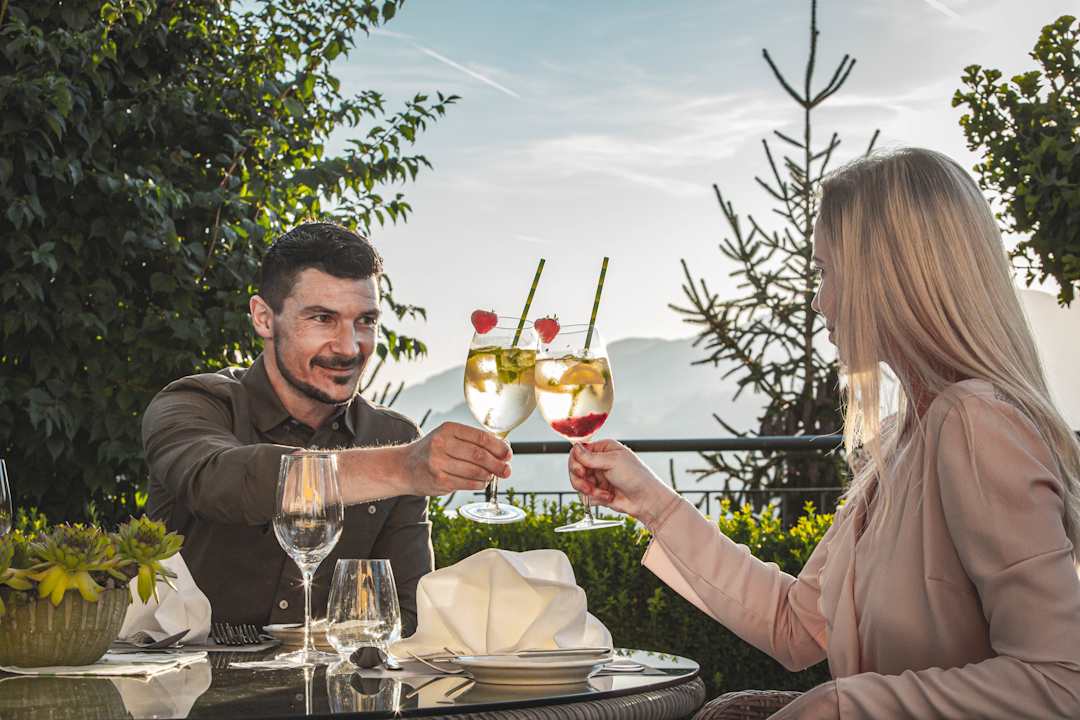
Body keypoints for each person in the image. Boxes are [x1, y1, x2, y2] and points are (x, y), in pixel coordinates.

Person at [569, 149, 1080, 718]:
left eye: (827, 271)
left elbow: (1060, 682)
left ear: (893, 275)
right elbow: (794, 624)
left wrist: (846, 704)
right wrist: (652, 503)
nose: (819, 301)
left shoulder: (977, 423)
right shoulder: (902, 439)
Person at [142, 222, 510, 634]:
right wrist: (402, 468)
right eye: (322, 318)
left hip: (332, 673)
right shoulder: (193, 404)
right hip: (184, 671)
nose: (349, 347)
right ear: (264, 318)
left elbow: (405, 618)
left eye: (365, 321)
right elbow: (218, 481)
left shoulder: (393, 436)